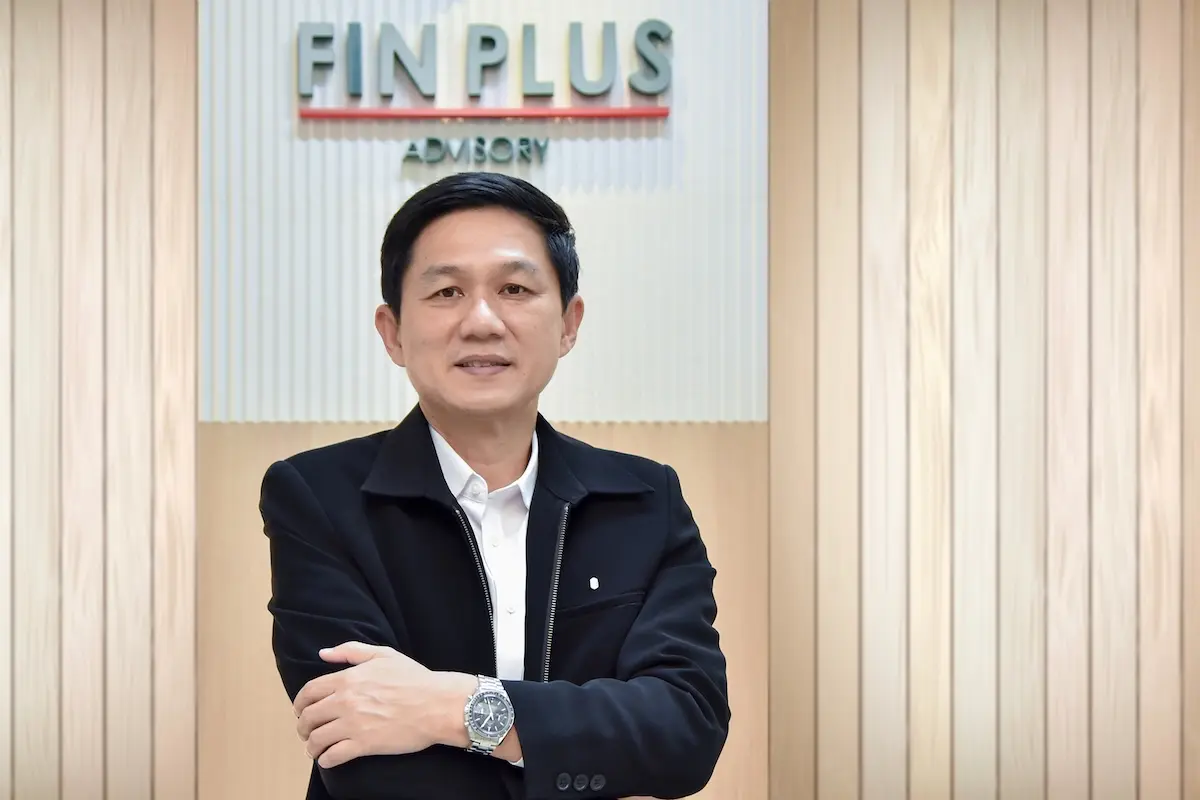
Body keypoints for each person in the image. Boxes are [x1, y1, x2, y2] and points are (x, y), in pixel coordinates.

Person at [259, 171, 730, 800]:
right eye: (447, 291)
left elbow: (685, 731)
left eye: (514, 289)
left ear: (568, 323)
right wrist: (572, 737)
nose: (482, 321)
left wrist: (453, 707)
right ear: (392, 332)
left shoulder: (645, 502)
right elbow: (362, 751)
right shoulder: (317, 497)